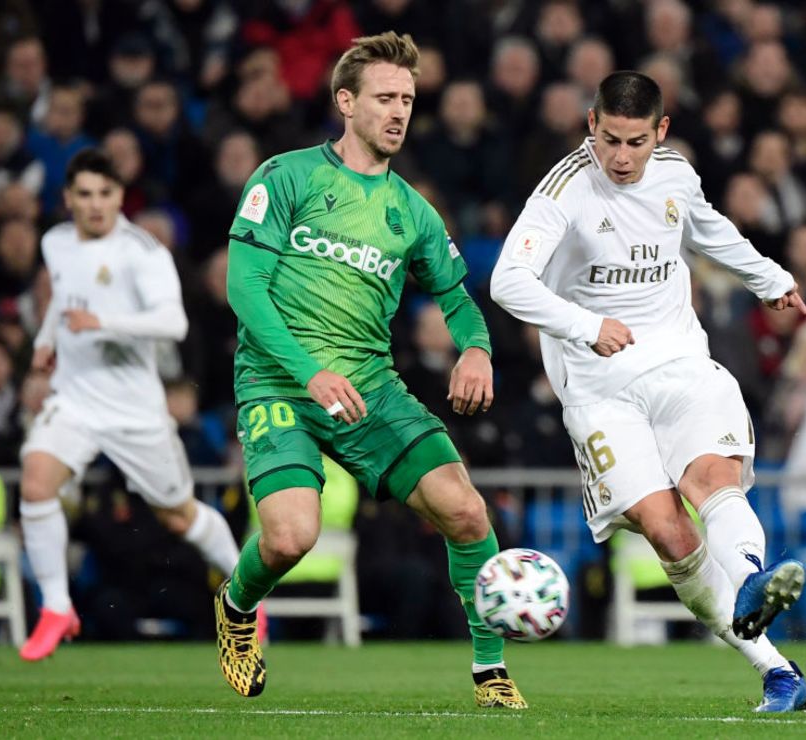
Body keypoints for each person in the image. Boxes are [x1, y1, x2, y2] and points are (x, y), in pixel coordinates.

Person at [215, 32, 522, 709]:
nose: (399, 111)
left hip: (371, 388)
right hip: (277, 382)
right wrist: (308, 372)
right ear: (344, 101)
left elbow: (459, 303)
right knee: (292, 536)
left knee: (467, 510)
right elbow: (245, 288)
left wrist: (477, 349)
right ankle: (237, 607)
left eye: (408, 100)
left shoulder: (412, 212)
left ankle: (490, 671)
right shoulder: (286, 177)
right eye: (385, 97)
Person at [490, 71, 806, 713]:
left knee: (711, 478)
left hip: (679, 361)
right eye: (609, 139)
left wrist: (768, 278)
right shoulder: (563, 192)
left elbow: (710, 230)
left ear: (660, 131)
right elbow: (507, 281)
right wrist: (587, 325)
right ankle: (777, 670)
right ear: (591, 124)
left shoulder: (675, 175)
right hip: (598, 388)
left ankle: (752, 581)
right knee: (667, 532)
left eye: (636, 142)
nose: (621, 156)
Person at [17, 149, 242, 661]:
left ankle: (245, 591)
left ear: (121, 197)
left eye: (106, 194)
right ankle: (56, 607)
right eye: (85, 195)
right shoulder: (55, 242)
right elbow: (64, 297)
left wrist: (104, 324)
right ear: (68, 199)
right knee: (36, 481)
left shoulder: (143, 253)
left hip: (134, 408)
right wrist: (47, 338)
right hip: (75, 398)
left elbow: (172, 324)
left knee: (179, 517)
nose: (96, 205)